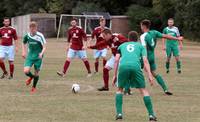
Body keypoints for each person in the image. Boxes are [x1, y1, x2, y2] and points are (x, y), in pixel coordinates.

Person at [112, 31, 157, 121]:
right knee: (143, 90)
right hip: (136, 67)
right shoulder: (141, 46)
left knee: (120, 89)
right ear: (137, 39)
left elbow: (116, 60)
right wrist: (150, 75)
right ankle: (151, 115)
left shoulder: (121, 46)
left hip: (123, 66)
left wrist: (114, 75)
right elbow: (145, 61)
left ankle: (119, 114)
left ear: (128, 39)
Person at [140, 19, 183, 95]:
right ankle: (165, 89)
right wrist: (177, 38)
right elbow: (166, 36)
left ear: (143, 26)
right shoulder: (154, 32)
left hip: (145, 56)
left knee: (131, 68)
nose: (140, 27)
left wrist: (143, 59)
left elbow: (144, 48)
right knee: (155, 73)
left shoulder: (143, 36)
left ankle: (127, 90)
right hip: (152, 57)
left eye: (141, 26)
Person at [22, 21, 46, 93]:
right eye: (31, 28)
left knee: (36, 73)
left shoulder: (40, 36)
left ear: (36, 28)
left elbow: (44, 46)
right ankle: (31, 77)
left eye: (34, 28)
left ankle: (34, 87)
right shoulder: (27, 36)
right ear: (29, 28)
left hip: (38, 57)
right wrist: (23, 51)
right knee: (26, 71)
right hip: (30, 55)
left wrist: (41, 53)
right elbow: (23, 42)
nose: (33, 30)